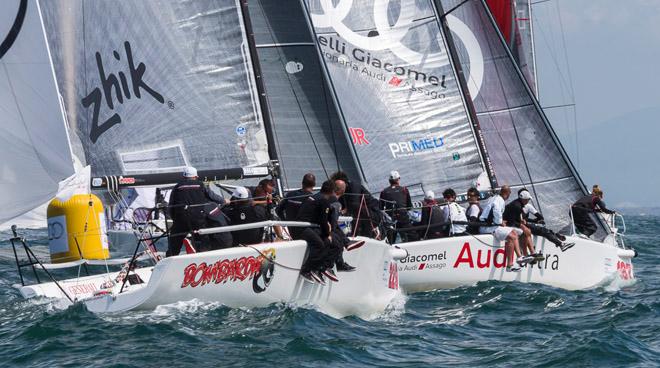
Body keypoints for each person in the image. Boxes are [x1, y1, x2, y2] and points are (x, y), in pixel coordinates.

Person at [167, 166, 226, 257]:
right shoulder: (201, 185)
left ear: (183, 177)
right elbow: (212, 196)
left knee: (174, 244)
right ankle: (205, 260)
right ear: (195, 176)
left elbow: (171, 207)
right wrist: (223, 200)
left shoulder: (177, 187)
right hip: (197, 220)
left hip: (181, 219)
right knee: (203, 241)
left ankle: (169, 260)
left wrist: (175, 219)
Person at [295, 180, 340, 284]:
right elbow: (323, 221)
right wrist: (327, 234)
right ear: (332, 191)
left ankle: (319, 268)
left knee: (330, 242)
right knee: (321, 244)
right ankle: (307, 270)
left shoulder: (314, 197)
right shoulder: (324, 201)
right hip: (303, 228)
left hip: (300, 227)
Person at [479, 186, 528, 272]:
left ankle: (520, 257)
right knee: (512, 236)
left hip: (491, 225)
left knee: (514, 232)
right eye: (509, 194)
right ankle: (510, 266)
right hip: (487, 227)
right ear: (507, 193)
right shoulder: (499, 200)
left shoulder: (495, 198)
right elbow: (496, 210)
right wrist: (500, 222)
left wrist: (500, 222)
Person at [331, 171, 381, 238]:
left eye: (337, 187)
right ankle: (347, 234)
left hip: (373, 214)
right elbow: (341, 206)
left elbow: (355, 205)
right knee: (338, 217)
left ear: (344, 183)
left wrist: (344, 211)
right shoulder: (342, 192)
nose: (336, 189)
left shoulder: (354, 186)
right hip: (359, 216)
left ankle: (367, 233)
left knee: (357, 209)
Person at [503, 189, 544, 261]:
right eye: (528, 199)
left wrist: (521, 222)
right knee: (525, 231)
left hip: (511, 223)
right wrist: (521, 225)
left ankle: (532, 252)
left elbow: (516, 219)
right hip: (506, 224)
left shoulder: (519, 204)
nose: (528, 201)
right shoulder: (517, 206)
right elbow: (511, 221)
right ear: (524, 199)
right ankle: (525, 254)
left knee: (527, 231)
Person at [329, 179, 360, 272]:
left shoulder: (329, 198)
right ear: (343, 191)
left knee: (341, 229)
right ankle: (347, 242)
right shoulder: (335, 202)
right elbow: (333, 220)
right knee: (340, 233)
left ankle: (347, 242)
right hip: (326, 229)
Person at [276, 173, 316, 239]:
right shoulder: (313, 199)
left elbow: (278, 210)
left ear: (302, 183)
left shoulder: (290, 194)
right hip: (305, 231)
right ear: (314, 184)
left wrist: (286, 222)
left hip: (292, 229)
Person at [379, 171, 414, 243]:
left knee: (390, 241)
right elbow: (409, 206)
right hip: (403, 218)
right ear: (398, 180)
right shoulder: (404, 189)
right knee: (410, 238)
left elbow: (381, 208)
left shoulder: (383, 192)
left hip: (391, 219)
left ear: (389, 181)